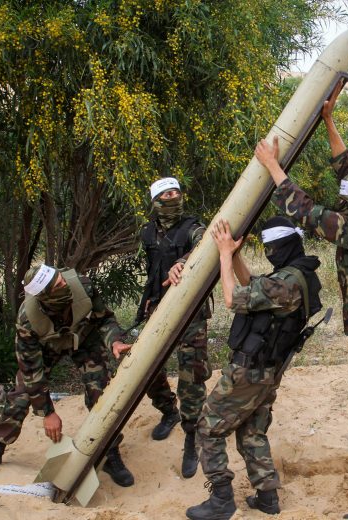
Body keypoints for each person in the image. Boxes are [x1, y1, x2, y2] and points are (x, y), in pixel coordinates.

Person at [254, 81, 348, 520]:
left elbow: (306, 213)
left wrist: (273, 167)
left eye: (344, 198)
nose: (340, 197)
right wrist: (327, 119)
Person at [185, 217, 322, 520]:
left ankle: (221, 498)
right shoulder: (297, 276)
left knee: (208, 427)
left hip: (248, 372)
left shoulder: (286, 284)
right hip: (266, 372)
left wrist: (222, 254)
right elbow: (253, 286)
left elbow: (233, 298)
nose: (270, 252)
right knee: (251, 431)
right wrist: (235, 255)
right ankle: (267, 496)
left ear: (284, 245)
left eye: (273, 247)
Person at [0, 264, 134, 487]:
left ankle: (110, 452)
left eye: (62, 279)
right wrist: (47, 412)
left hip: (83, 339)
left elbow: (104, 319)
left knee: (101, 394)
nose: (65, 283)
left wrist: (114, 341)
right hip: (48, 346)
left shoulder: (82, 286)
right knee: (20, 396)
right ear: (46, 297)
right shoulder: (28, 320)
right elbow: (31, 371)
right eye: (59, 285)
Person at [123, 176, 213, 478]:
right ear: (156, 202)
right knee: (146, 369)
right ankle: (168, 411)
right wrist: (148, 301)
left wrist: (184, 262)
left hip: (190, 314)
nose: (173, 197)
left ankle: (191, 435)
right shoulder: (147, 233)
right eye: (166, 194)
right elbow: (153, 271)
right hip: (159, 310)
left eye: (176, 192)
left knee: (191, 375)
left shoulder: (192, 227)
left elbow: (207, 243)